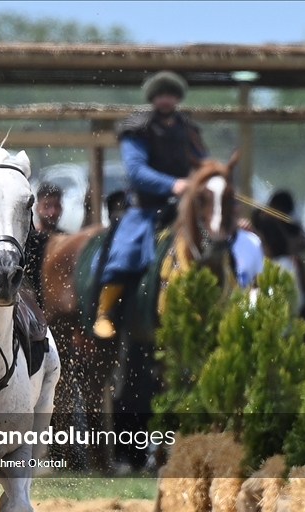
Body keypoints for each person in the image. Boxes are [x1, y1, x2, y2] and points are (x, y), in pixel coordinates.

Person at [93, 71, 208, 339]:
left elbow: (203, 162)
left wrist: (208, 179)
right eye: (160, 94)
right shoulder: (137, 127)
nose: (166, 100)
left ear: (177, 98)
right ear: (153, 98)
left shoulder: (188, 130)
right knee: (125, 253)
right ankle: (104, 312)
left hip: (185, 209)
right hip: (146, 210)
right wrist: (173, 185)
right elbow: (136, 171)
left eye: (170, 94)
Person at [23, 182, 66, 299]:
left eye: (57, 206)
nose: (52, 212)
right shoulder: (29, 241)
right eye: (47, 206)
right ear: (37, 208)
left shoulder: (65, 240)